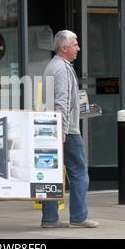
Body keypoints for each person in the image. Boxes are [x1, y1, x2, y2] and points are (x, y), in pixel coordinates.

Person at [41, 30, 99, 228]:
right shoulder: (63, 69)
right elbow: (62, 102)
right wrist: (63, 129)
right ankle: (79, 216)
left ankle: (50, 218)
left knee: (52, 173)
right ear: (64, 48)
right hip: (67, 131)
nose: (78, 48)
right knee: (79, 173)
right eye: (75, 44)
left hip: (50, 127)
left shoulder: (51, 66)